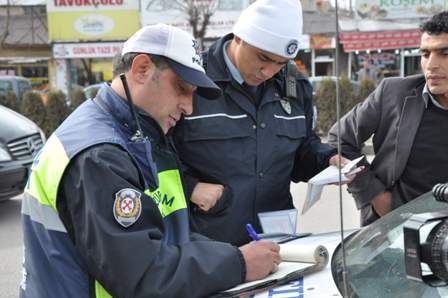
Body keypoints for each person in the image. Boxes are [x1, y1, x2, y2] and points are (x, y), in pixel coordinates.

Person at [20, 24, 282, 298]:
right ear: (142, 68)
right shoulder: (100, 154)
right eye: (182, 88)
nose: (189, 107)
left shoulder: (137, 133)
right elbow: (142, 275)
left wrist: (231, 256)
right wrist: (237, 264)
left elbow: (169, 236)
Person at [174, 0, 348, 246]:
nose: (268, 71)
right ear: (238, 37)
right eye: (263, 58)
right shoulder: (193, 81)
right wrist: (189, 186)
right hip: (209, 243)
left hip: (276, 239)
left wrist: (327, 159)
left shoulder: (293, 87)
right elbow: (155, 155)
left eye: (280, 63)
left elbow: (301, 150)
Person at [327, 11, 448, 226]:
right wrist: (375, 195)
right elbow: (340, 139)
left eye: (444, 53)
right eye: (426, 54)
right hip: (393, 232)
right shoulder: (394, 93)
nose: (431, 65)